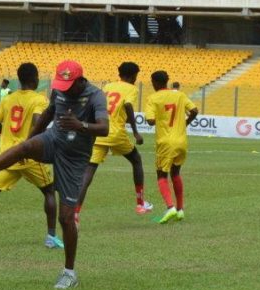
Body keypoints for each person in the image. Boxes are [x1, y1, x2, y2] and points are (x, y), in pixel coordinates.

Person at [0, 60, 109, 289]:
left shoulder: (95, 95)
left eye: (68, 85)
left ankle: (69, 273)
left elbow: (104, 128)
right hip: (54, 140)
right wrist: (30, 142)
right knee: (21, 148)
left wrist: (80, 125)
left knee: (66, 218)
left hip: (74, 158)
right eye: (61, 84)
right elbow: (47, 116)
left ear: (80, 80)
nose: (63, 89)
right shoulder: (58, 91)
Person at [0, 63, 61, 250]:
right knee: (49, 191)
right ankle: (51, 237)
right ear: (35, 80)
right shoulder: (39, 100)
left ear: (20, 79)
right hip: (29, 156)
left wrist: (7, 129)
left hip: (6, 156)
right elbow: (38, 123)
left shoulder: (8, 99)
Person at [76, 61, 153, 217]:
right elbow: (129, 106)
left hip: (98, 131)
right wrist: (136, 132)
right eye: (136, 76)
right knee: (136, 160)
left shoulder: (108, 87)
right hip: (115, 132)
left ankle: (75, 213)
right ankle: (140, 203)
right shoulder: (131, 88)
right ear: (133, 76)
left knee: (88, 172)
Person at [145, 69, 198, 224]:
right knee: (175, 173)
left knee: (161, 175)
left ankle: (170, 207)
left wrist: (160, 118)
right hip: (181, 141)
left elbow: (150, 120)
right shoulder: (179, 95)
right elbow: (194, 111)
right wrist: (184, 124)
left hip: (165, 142)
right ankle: (180, 210)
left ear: (155, 82)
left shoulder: (153, 98)